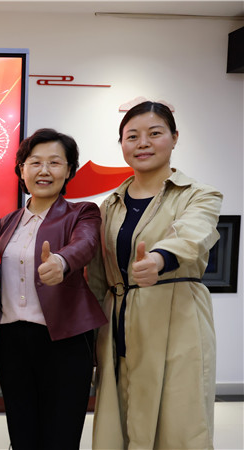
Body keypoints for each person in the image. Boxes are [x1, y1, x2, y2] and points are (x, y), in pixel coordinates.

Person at [89, 101, 221, 449]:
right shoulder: (110, 205)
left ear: (175, 137)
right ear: (122, 144)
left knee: (178, 423)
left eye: (155, 133)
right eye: (132, 136)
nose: (143, 143)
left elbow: (193, 234)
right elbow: (98, 276)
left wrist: (160, 259)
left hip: (178, 320)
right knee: (119, 421)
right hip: (118, 323)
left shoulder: (199, 195)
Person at [0, 128, 106, 449]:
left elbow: (86, 244)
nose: (44, 171)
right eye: (35, 162)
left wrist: (62, 261)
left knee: (61, 436)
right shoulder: (7, 222)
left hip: (64, 341)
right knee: (22, 435)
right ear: (21, 170)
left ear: (69, 171)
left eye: (55, 163)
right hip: (12, 341)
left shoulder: (82, 213)